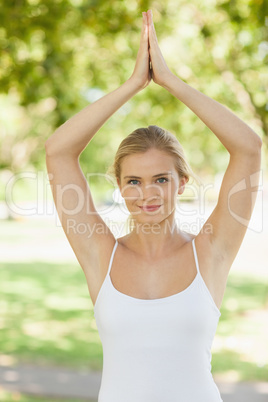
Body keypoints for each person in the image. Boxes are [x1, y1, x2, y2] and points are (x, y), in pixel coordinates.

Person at [45, 9, 262, 402]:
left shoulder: (210, 251)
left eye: (161, 179)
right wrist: (133, 84)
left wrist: (170, 81)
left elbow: (248, 148)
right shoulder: (100, 253)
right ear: (120, 187)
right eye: (134, 181)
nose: (148, 194)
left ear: (181, 183)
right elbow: (58, 152)